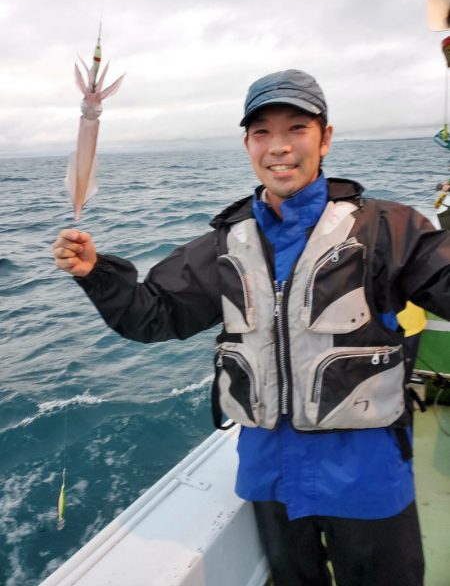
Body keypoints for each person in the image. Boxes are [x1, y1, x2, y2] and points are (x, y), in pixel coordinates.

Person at [53, 69, 450, 586]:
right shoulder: (223, 245)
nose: (278, 147)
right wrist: (96, 272)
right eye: (262, 131)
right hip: (270, 479)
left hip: (367, 480)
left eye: (297, 129)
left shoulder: (390, 229)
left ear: (325, 138)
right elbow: (152, 315)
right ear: (246, 144)